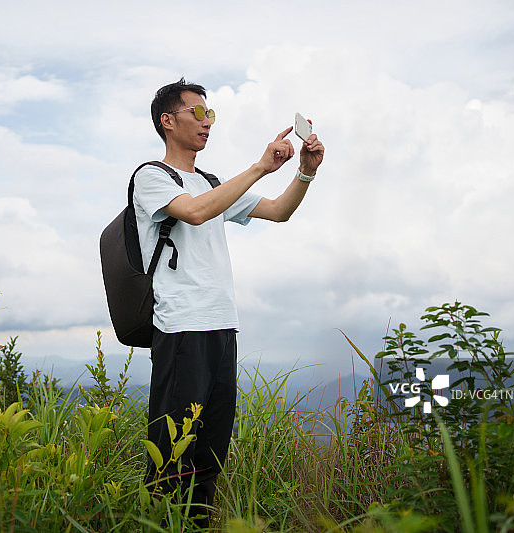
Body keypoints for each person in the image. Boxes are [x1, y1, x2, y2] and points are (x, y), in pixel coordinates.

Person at [136, 78, 324, 527]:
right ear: (168, 121)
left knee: (209, 451)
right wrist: (259, 167)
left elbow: (279, 211)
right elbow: (196, 211)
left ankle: (196, 524)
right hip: (181, 328)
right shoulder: (151, 177)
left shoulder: (213, 183)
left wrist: (305, 172)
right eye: (197, 113)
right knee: (172, 451)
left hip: (222, 327)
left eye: (210, 115)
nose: (206, 123)